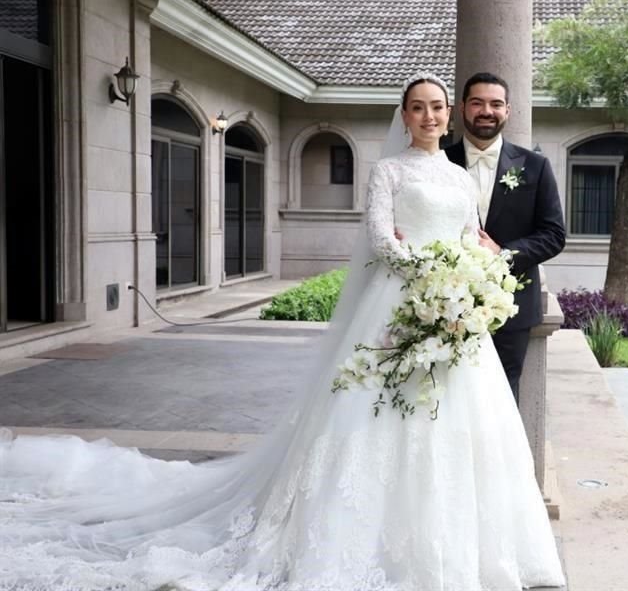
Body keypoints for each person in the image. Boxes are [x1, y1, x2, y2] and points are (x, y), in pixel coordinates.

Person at [0, 73, 565, 591]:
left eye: (436, 107)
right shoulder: (388, 170)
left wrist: (466, 282)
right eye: (418, 108)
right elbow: (380, 241)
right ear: (405, 115)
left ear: (449, 114)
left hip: (454, 315)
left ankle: (459, 546)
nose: (429, 116)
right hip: (396, 306)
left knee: (461, 422)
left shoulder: (462, 178)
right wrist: (428, 276)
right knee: (371, 414)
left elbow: (473, 236)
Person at [445, 72, 566, 405]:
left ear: (508, 111)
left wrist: (503, 253)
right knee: (447, 394)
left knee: (502, 397)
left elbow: (554, 235)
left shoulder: (535, 166)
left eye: (496, 104)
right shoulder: (437, 162)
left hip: (510, 307)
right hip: (444, 303)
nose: (487, 110)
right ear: (461, 109)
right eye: (478, 103)